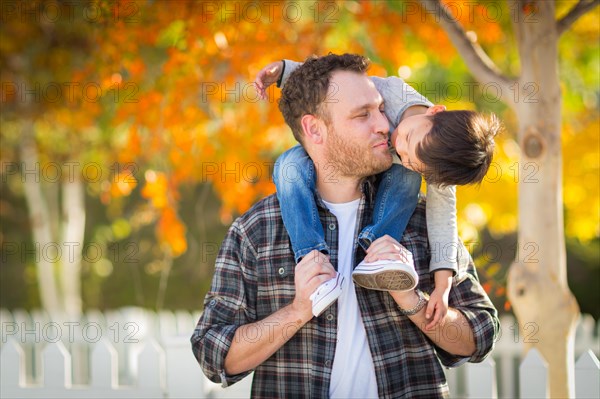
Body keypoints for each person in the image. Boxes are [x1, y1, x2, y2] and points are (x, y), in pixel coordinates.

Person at [191, 53, 499, 398]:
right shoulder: (256, 231)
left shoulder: (418, 220)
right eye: (362, 115)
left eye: (381, 109)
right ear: (313, 129)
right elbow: (213, 353)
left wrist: (410, 298)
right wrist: (297, 311)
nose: (385, 124)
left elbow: (480, 335)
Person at [254, 59, 500, 327]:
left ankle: (378, 251)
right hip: (337, 151)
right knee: (288, 166)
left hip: (383, 181)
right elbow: (334, 86)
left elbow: (444, 222)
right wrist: (284, 71)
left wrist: (443, 286)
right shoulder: (394, 92)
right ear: (434, 112)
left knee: (407, 178)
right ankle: (312, 257)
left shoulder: (434, 160)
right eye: (406, 140)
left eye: (408, 158)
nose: (398, 147)